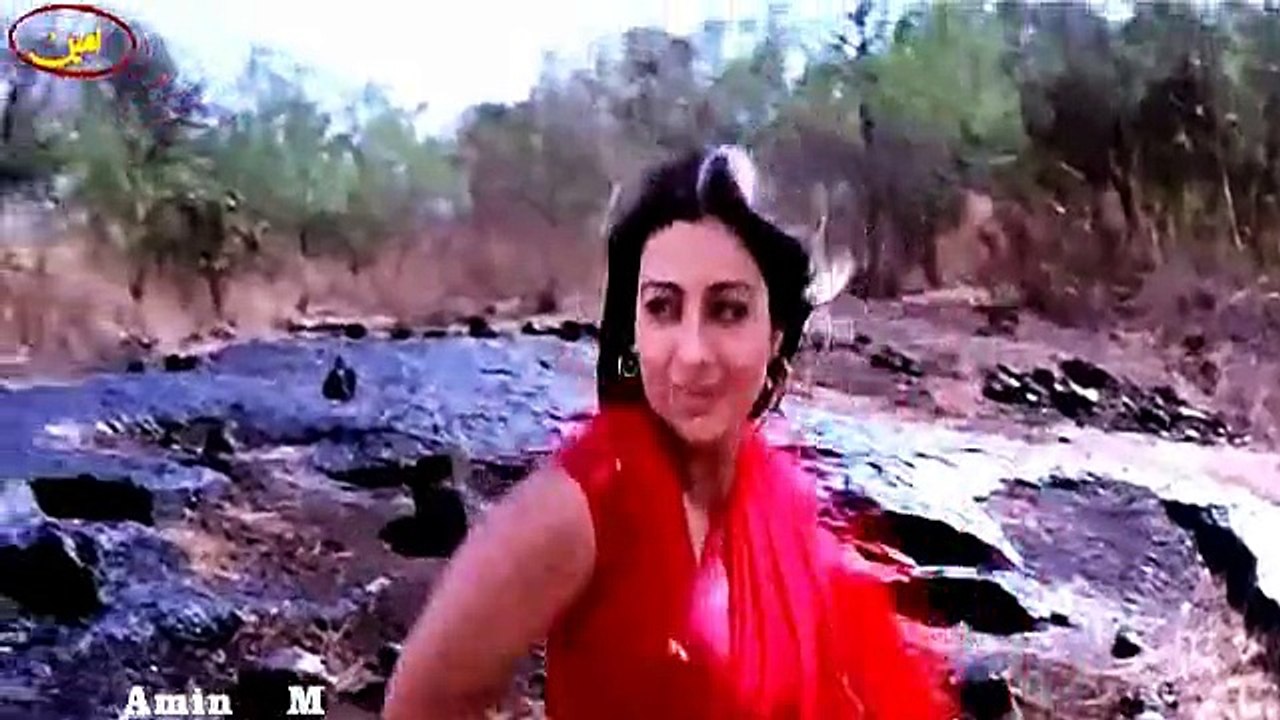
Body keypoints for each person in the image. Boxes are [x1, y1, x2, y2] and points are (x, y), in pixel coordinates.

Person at [383, 145, 957, 719]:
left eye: (728, 310)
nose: (691, 354)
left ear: (775, 334)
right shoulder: (581, 506)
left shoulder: (785, 513)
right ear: (633, 330)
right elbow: (417, 707)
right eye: (662, 308)